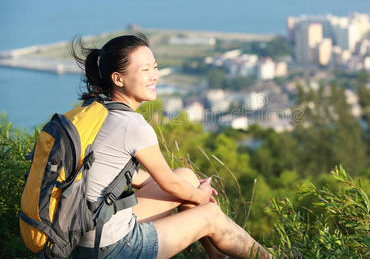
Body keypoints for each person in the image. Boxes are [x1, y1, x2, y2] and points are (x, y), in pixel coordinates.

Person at [71, 33, 272, 259]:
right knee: (210, 215)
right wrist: (200, 197)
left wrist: (190, 190)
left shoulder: (95, 111)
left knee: (185, 176)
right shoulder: (131, 125)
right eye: (145, 70)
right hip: (113, 248)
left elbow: (118, 173)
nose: (154, 76)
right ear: (118, 79)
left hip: (86, 236)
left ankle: (219, 256)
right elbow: (169, 184)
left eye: (155, 68)